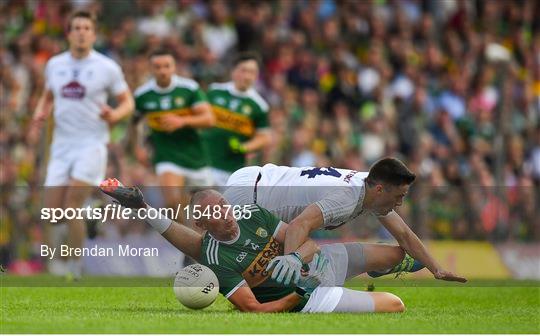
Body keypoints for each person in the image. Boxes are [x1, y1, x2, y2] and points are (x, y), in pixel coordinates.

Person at [100, 179, 406, 313]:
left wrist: (295, 256)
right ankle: (372, 276)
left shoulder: (252, 213)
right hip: (314, 297)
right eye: (214, 214)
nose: (227, 214)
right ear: (201, 225)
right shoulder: (216, 260)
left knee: (397, 254)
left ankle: (385, 268)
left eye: (224, 205)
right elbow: (255, 310)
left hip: (324, 261)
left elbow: (308, 243)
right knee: (395, 304)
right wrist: (300, 294)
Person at [223, 157, 467, 283]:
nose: (401, 203)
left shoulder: (369, 185)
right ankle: (379, 263)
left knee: (300, 265)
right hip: (249, 196)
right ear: (380, 189)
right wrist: (292, 266)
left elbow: (403, 234)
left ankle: (382, 262)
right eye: (399, 196)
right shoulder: (347, 198)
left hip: (262, 179)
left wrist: (437, 268)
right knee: (269, 275)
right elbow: (300, 225)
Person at [28, 10, 134, 280]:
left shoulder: (106, 67)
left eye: (86, 27)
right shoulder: (55, 64)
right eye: (76, 27)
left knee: (71, 204)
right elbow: (48, 94)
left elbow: (127, 103)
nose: (81, 32)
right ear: (69, 33)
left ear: (94, 34)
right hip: (61, 146)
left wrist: (115, 115)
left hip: (91, 143)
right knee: (53, 214)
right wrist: (41, 112)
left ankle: (73, 267)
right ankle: (91, 214)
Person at [132, 49, 215, 220]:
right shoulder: (142, 95)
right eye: (157, 67)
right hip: (166, 155)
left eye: (166, 66)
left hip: (195, 155)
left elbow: (209, 119)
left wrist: (182, 121)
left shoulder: (189, 89)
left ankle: (198, 239)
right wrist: (137, 147)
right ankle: (183, 243)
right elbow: (134, 123)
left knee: (203, 210)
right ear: (151, 69)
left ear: (174, 67)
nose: (162, 71)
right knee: (172, 202)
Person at [202, 52, 271, 186]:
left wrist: (243, 147)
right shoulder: (214, 92)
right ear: (233, 71)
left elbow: (264, 138)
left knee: (222, 207)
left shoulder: (259, 106)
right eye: (243, 70)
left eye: (252, 72)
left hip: (231, 170)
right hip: (204, 162)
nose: (247, 76)